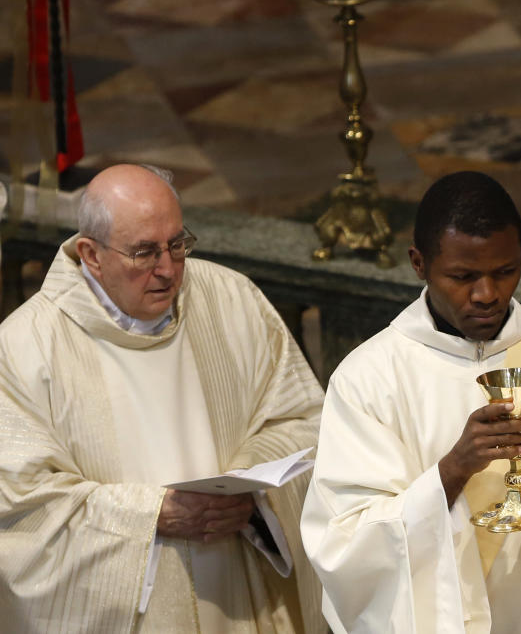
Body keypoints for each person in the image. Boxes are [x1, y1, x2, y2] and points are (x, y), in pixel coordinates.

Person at [300, 171, 521, 633]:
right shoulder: (370, 379)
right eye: (463, 277)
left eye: (505, 272)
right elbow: (341, 544)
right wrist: (452, 471)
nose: (488, 295)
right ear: (419, 264)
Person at [0, 164, 325, 632]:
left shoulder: (231, 299)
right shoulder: (26, 348)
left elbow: (302, 420)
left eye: (177, 244)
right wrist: (151, 516)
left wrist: (252, 498)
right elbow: (22, 512)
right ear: (91, 255)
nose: (169, 269)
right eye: (144, 253)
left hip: (239, 590)